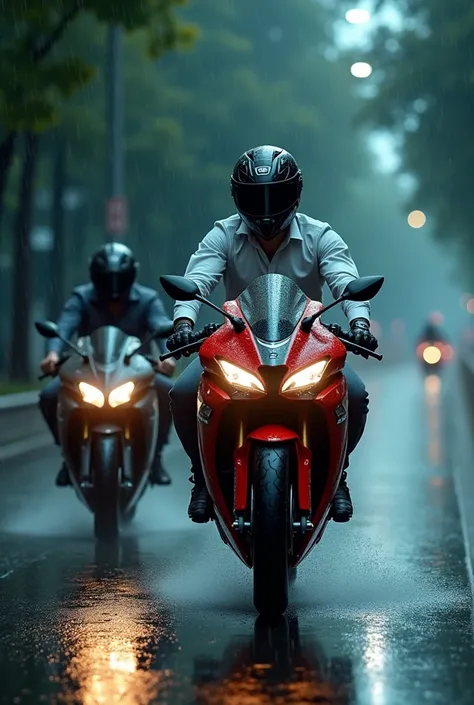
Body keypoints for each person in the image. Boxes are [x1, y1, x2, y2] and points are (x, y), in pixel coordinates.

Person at [166, 145, 378, 523]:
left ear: (294, 194)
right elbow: (197, 281)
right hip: (235, 347)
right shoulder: (222, 235)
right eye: (254, 197)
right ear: (237, 197)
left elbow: (345, 281)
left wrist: (359, 322)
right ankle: (201, 478)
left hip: (309, 346)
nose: (265, 208)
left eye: (275, 195)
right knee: (183, 393)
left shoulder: (320, 235)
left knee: (356, 394)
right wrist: (183, 322)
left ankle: (338, 475)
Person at [39, 242, 176, 487]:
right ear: (95, 278)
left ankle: (155, 455)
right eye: (107, 280)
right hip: (87, 372)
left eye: (119, 280)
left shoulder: (147, 299)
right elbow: (64, 326)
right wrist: (52, 354)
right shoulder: (81, 297)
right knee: (49, 396)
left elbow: (161, 325)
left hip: (136, 373)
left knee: (169, 393)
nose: (113, 289)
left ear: (130, 277)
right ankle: (67, 453)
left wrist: (168, 356)